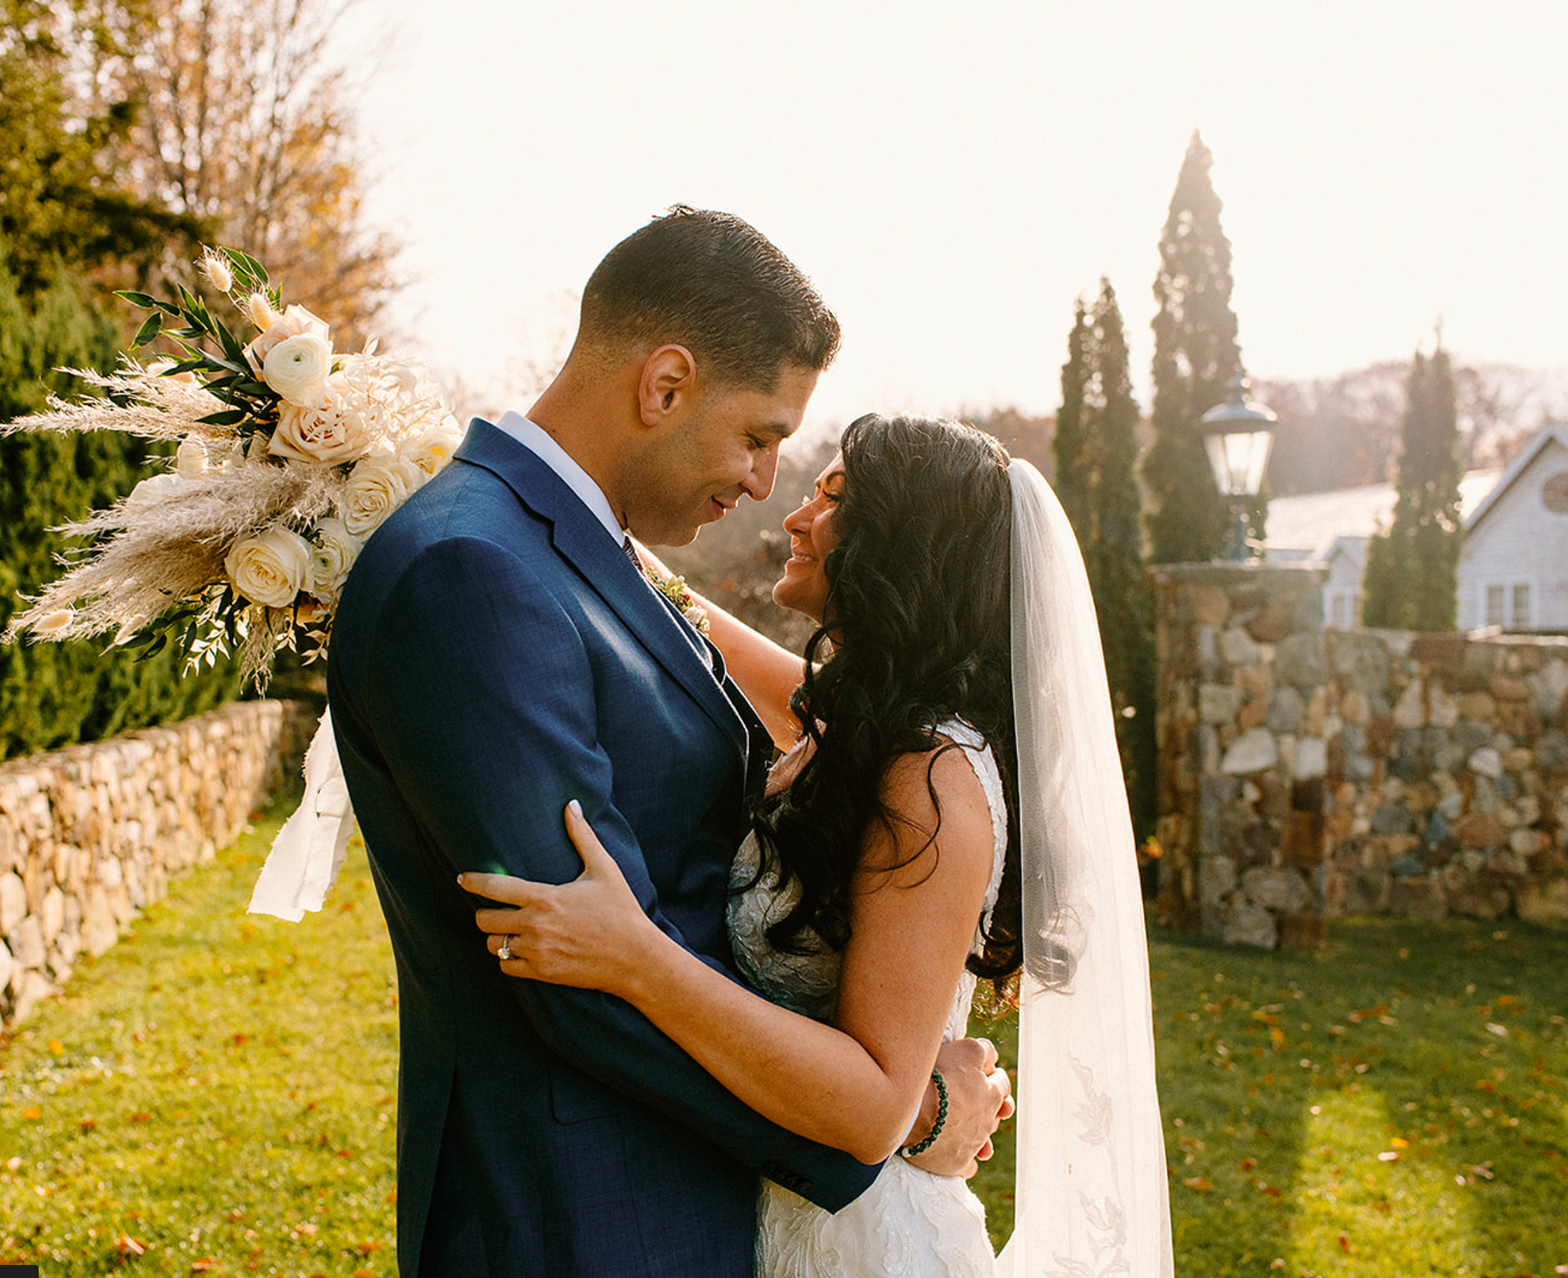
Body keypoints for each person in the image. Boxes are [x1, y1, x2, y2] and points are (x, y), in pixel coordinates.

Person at [325, 209, 1012, 1278]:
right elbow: (574, 972)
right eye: (758, 436)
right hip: (580, 1223)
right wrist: (901, 1118)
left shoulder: (578, 557)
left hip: (678, 1206)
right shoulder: (475, 574)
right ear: (665, 385)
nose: (765, 484)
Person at [462, 414, 1176, 1276]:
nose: (794, 515)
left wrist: (632, 955)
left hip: (866, 1246)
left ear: (902, 547)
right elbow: (686, 617)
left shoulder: (932, 772)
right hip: (767, 1211)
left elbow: (877, 1104)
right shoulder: (853, 721)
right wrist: (513, 484)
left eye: (832, 498)